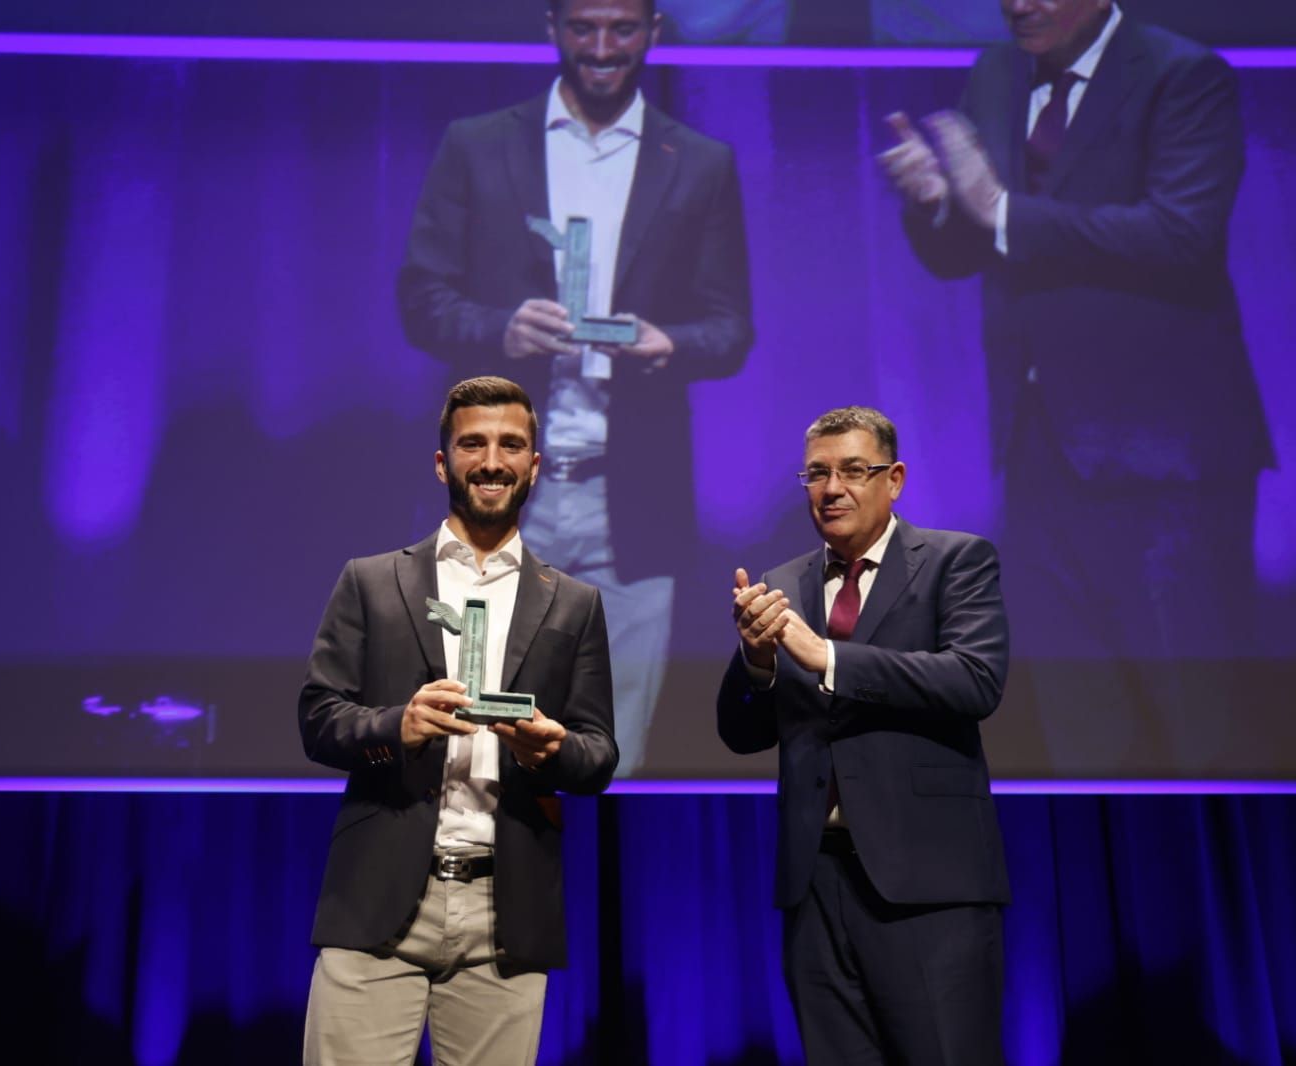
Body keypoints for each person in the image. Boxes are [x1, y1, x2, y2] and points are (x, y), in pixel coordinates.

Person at [878, 0, 1274, 767]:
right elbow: (970, 249)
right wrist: (933, 205)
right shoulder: (996, 73)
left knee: (1193, 725)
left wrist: (997, 207)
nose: (1020, 6)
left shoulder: (1183, 75)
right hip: (1038, 447)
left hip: (1167, 465)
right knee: (1079, 725)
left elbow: (1182, 234)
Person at [397, 0, 753, 775]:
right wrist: (499, 328)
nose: (601, 48)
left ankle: (596, 890)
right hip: (499, 487)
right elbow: (421, 299)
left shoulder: (697, 161)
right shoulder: (479, 146)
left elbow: (729, 329)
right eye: (583, 27)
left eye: (621, 28)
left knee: (608, 753)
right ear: (550, 27)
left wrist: (670, 344)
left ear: (653, 33)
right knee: (469, 744)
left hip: (631, 496)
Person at [298, 376, 616, 1065]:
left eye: (511, 445)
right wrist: (396, 726)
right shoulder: (372, 581)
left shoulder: (573, 603)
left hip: (506, 910)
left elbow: (597, 755)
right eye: (473, 443)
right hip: (377, 901)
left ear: (535, 463)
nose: (492, 460)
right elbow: (319, 720)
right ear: (443, 461)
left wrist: (549, 752)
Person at [717, 406, 1011, 1065]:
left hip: (928, 884)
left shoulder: (954, 561)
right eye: (816, 473)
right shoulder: (783, 585)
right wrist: (757, 661)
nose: (831, 488)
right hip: (814, 881)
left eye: (853, 471)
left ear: (894, 478)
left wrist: (828, 658)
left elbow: (973, 680)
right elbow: (739, 733)